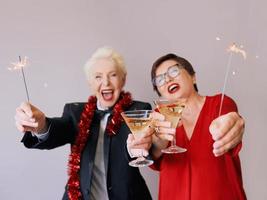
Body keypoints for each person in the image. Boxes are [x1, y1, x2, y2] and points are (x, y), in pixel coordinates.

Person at [15, 47, 152, 200]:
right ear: (90, 83)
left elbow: (149, 146)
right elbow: (57, 130)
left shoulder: (140, 110)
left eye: (113, 75)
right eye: (98, 77)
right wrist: (41, 126)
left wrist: (139, 148)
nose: (106, 82)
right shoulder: (75, 112)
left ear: (123, 79)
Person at [127, 53, 246, 200]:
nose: (168, 79)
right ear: (159, 91)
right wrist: (152, 144)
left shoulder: (220, 103)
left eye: (174, 71)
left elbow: (230, 122)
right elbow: (153, 153)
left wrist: (232, 127)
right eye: (160, 79)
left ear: (193, 76)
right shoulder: (157, 116)